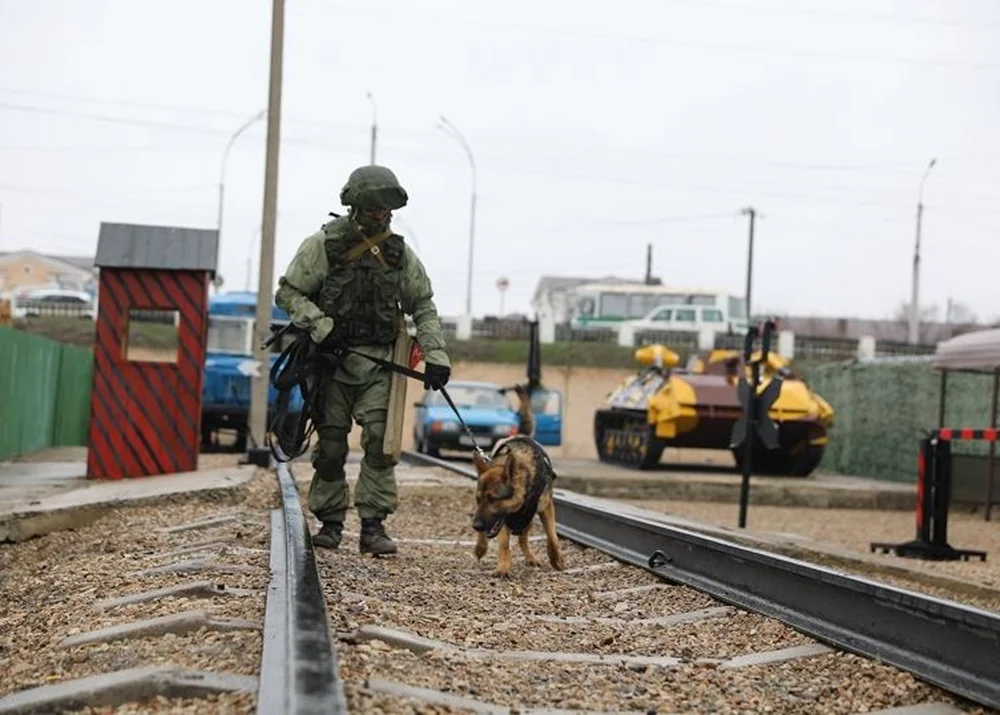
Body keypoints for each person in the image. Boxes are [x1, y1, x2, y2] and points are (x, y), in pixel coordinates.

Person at [274, 165, 452, 555]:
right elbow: (288, 293)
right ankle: (330, 521)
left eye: (386, 209)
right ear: (356, 205)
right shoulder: (323, 245)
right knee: (332, 442)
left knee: (379, 442)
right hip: (332, 362)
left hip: (381, 363)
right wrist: (321, 326)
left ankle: (373, 525)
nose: (380, 215)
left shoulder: (399, 254)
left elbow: (422, 304)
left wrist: (436, 355)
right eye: (374, 208)